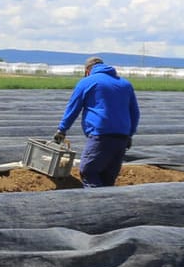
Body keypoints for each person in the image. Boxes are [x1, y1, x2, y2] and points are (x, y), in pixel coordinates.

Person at [54, 56, 140, 188]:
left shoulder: (87, 82)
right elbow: (135, 113)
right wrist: (130, 134)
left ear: (88, 70)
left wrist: (62, 130)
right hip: (122, 137)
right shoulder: (125, 84)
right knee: (108, 177)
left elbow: (73, 108)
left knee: (89, 171)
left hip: (100, 135)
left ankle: (96, 205)